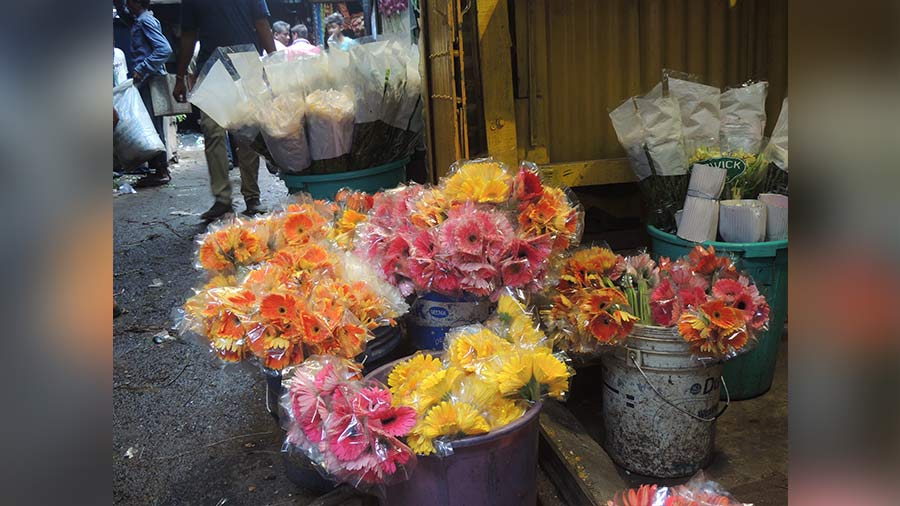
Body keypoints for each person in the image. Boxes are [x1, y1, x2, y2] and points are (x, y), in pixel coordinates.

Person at [172, 0, 277, 220]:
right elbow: (189, 37)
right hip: (212, 67)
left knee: (248, 132)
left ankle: (252, 197)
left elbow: (261, 23)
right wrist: (180, 77)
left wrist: (275, 63)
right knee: (213, 131)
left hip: (245, 62)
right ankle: (222, 199)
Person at [120, 0, 174, 187]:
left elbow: (164, 49)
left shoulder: (145, 21)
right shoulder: (140, 20)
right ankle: (158, 169)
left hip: (149, 80)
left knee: (152, 126)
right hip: (146, 80)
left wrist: (142, 68)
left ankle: (161, 170)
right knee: (151, 125)